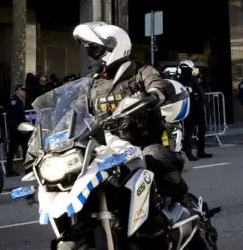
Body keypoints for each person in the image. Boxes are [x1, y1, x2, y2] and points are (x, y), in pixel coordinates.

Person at [73, 22, 193, 208]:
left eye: (94, 50)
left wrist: (156, 94)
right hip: (106, 148)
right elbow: (74, 110)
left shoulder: (141, 71)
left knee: (156, 159)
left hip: (142, 142)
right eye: (89, 51)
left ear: (113, 49)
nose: (90, 56)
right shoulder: (91, 83)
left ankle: (185, 203)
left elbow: (158, 83)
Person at [176, 61, 211, 159]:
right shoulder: (180, 81)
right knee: (189, 131)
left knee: (200, 130)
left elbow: (201, 94)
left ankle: (200, 151)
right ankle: (188, 152)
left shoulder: (191, 80)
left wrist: (208, 108)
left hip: (196, 107)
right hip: (188, 108)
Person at [6, 83, 29, 174]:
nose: (24, 92)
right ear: (17, 91)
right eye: (22, 91)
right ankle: (9, 170)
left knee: (25, 147)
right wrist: (14, 127)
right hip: (16, 129)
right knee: (13, 149)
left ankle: (27, 167)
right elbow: (11, 116)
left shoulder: (19, 100)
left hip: (20, 128)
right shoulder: (14, 101)